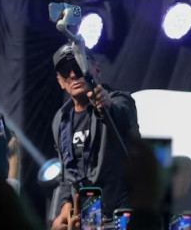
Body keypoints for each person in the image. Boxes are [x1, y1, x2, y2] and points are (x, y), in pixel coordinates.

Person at [50, 42, 139, 229]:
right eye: (66, 71)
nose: (73, 74)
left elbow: (122, 115)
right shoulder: (61, 119)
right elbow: (66, 174)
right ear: (60, 81)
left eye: (78, 66)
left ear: (96, 70)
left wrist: (107, 106)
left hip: (119, 216)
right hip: (85, 218)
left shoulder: (120, 101)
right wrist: (65, 207)